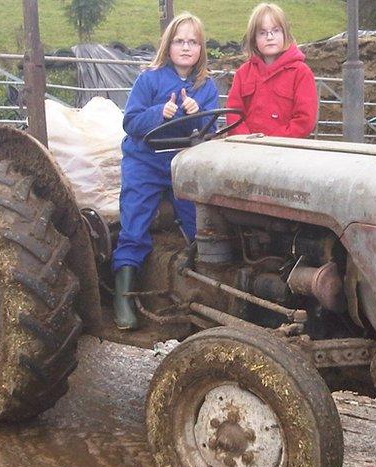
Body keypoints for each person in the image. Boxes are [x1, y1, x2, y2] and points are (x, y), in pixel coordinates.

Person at [112, 12, 219, 330]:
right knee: (134, 220)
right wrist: (160, 112)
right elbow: (130, 121)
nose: (186, 47)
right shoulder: (150, 79)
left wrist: (198, 113)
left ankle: (202, 293)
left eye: (193, 42)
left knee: (199, 223)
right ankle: (123, 297)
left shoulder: (205, 86)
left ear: (201, 48)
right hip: (145, 161)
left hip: (183, 166)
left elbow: (211, 129)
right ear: (168, 45)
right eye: (179, 41)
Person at [226, 3, 318, 138]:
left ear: (285, 33)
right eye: (262, 32)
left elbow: (305, 120)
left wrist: (272, 141)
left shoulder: (301, 73)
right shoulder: (243, 73)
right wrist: (246, 140)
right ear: (254, 38)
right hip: (246, 150)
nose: (269, 37)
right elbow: (233, 112)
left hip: (284, 151)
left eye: (275, 31)